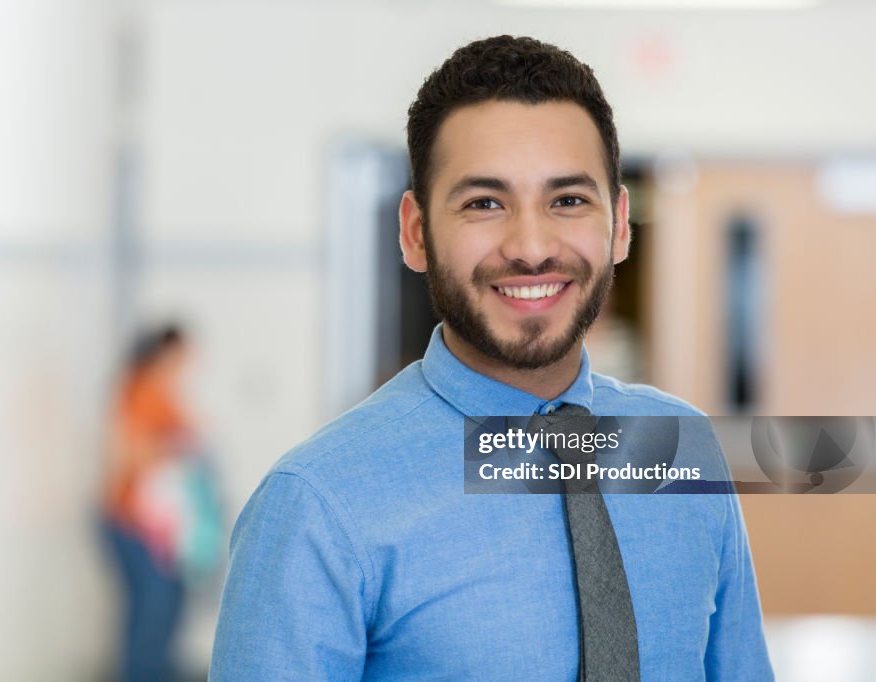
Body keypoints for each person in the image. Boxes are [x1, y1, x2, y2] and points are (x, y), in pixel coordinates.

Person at [210, 36, 773, 680]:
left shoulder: (682, 451)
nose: (531, 247)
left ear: (619, 224)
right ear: (416, 233)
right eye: (484, 203)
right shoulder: (317, 506)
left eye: (567, 200)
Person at [101, 324, 199, 681]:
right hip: (134, 522)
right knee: (152, 613)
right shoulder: (142, 390)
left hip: (154, 524)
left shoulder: (160, 391)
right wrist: (179, 446)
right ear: (168, 350)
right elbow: (131, 454)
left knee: (160, 611)